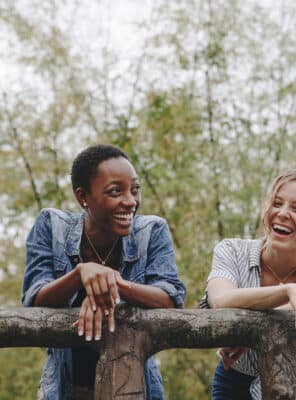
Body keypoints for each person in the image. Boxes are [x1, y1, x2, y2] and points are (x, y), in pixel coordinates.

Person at [22, 144, 186, 400]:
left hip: (136, 387)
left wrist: (112, 285)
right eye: (115, 192)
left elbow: (170, 297)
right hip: (63, 388)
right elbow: (34, 298)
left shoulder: (153, 230)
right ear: (82, 197)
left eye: (135, 189)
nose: (131, 201)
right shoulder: (51, 226)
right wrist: (80, 274)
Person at [204, 167, 296, 400]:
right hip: (234, 380)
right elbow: (220, 299)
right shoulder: (231, 250)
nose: (283, 213)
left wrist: (252, 329)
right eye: (276, 203)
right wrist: (290, 292)